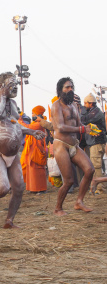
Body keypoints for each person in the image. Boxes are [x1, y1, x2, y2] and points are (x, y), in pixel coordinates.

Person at [0, 72, 45, 228]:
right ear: (2, 86)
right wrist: (3, 96)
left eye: (16, 84)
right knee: (3, 188)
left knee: (19, 187)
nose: (16, 87)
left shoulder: (12, 105)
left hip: (12, 154)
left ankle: (9, 221)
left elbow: (14, 123)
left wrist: (31, 132)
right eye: (11, 84)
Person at [51, 77, 94, 215]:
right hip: (61, 145)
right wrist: (81, 130)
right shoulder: (56, 105)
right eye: (67, 87)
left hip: (73, 144)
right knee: (68, 181)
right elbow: (60, 127)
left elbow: (78, 125)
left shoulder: (74, 106)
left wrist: (88, 128)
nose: (70, 90)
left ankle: (79, 201)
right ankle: (58, 208)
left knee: (89, 170)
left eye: (71, 87)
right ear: (60, 90)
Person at [18, 106, 49, 193]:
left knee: (37, 168)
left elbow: (27, 127)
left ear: (38, 114)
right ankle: (33, 188)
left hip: (37, 149)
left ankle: (41, 189)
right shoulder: (35, 122)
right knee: (31, 169)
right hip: (31, 149)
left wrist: (19, 120)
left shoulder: (39, 124)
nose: (32, 115)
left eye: (33, 113)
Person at [82, 93, 106, 194]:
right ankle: (99, 186)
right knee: (96, 165)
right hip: (94, 143)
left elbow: (85, 120)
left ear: (90, 103)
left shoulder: (96, 112)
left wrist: (79, 113)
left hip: (97, 143)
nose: (84, 105)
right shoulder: (93, 111)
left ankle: (100, 188)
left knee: (96, 166)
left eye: (85, 103)